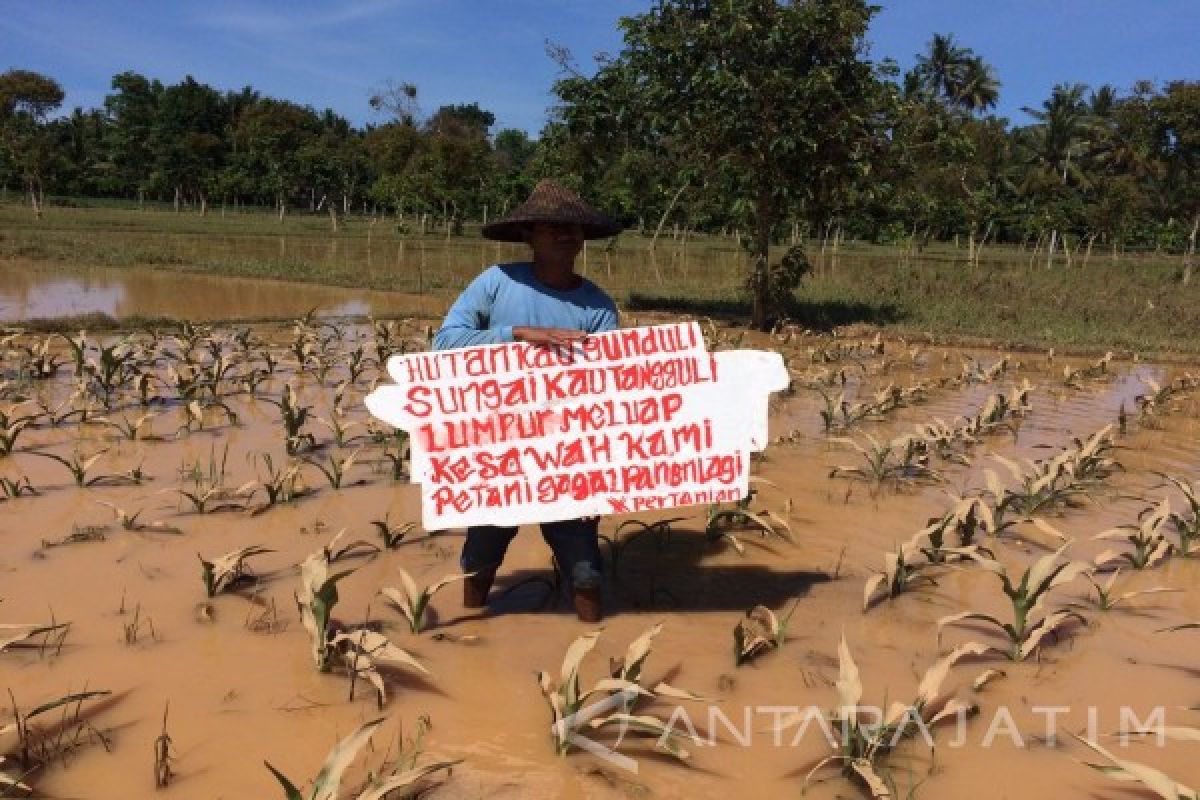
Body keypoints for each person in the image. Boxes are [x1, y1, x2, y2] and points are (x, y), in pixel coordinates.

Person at [432, 179, 622, 622]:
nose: (565, 233)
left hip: (568, 454)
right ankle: (470, 637)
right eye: (552, 225)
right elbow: (444, 346)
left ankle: (594, 647)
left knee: (587, 571)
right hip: (500, 450)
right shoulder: (496, 282)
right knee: (480, 560)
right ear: (528, 234)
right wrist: (517, 334)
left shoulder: (598, 308)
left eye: (573, 227)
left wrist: (602, 475)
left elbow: (611, 393)